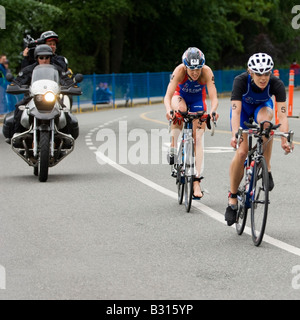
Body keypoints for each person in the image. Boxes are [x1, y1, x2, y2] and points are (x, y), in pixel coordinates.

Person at [225, 52, 294, 226]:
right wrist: (235, 134)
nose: (263, 78)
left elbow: (283, 116)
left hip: (262, 108)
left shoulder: (276, 84)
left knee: (267, 126)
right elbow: (236, 111)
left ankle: (267, 167)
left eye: (266, 73)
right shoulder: (240, 81)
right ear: (250, 72)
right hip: (243, 113)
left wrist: (285, 140)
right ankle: (233, 198)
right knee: (242, 152)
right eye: (258, 74)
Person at [164, 47, 219, 198]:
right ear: (185, 66)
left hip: (197, 101)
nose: (195, 72)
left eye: (198, 69)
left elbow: (214, 97)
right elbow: (168, 96)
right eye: (192, 69)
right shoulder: (179, 71)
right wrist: (169, 110)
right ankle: (174, 145)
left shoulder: (207, 72)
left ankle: (196, 181)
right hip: (179, 96)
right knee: (179, 111)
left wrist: (213, 111)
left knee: (198, 138)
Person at [12, 44, 74, 135]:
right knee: (19, 109)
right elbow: (19, 80)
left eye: (47, 57)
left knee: (65, 112)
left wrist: (72, 86)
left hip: (52, 97)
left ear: (50, 57)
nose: (44, 60)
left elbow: (65, 79)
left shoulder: (57, 69)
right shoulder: (29, 69)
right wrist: (14, 85)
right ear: (37, 58)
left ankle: (67, 137)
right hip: (32, 97)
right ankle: (17, 135)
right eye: (41, 57)